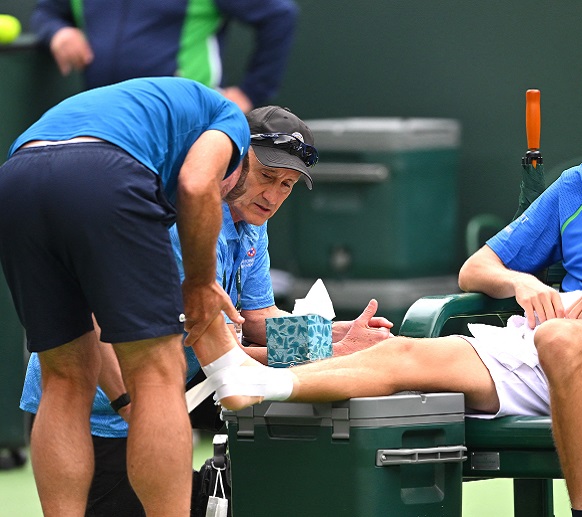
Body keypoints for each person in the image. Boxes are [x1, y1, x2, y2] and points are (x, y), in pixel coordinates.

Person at [189, 25, 582, 517]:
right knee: (404, 351)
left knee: (560, 336)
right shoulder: (578, 185)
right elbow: (476, 269)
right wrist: (522, 282)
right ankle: (255, 385)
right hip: (544, 347)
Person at [18, 104, 393, 516]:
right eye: (267, 176)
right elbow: (218, 351)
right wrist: (329, 356)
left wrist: (331, 334)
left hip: (167, 395)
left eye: (286, 185)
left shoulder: (253, 220)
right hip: (101, 414)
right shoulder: (182, 225)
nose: (272, 196)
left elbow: (256, 317)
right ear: (234, 158)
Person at [0, 76, 253, 516]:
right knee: (157, 374)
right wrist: (199, 284)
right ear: (239, 164)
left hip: (17, 179)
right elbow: (198, 184)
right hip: (105, 174)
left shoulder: (143, 109)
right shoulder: (230, 120)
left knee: (62, 377)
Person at [30, 0, 299, 112]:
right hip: (105, 119)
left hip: (185, 121)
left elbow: (279, 15)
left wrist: (250, 93)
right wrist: (59, 32)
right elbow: (46, 12)